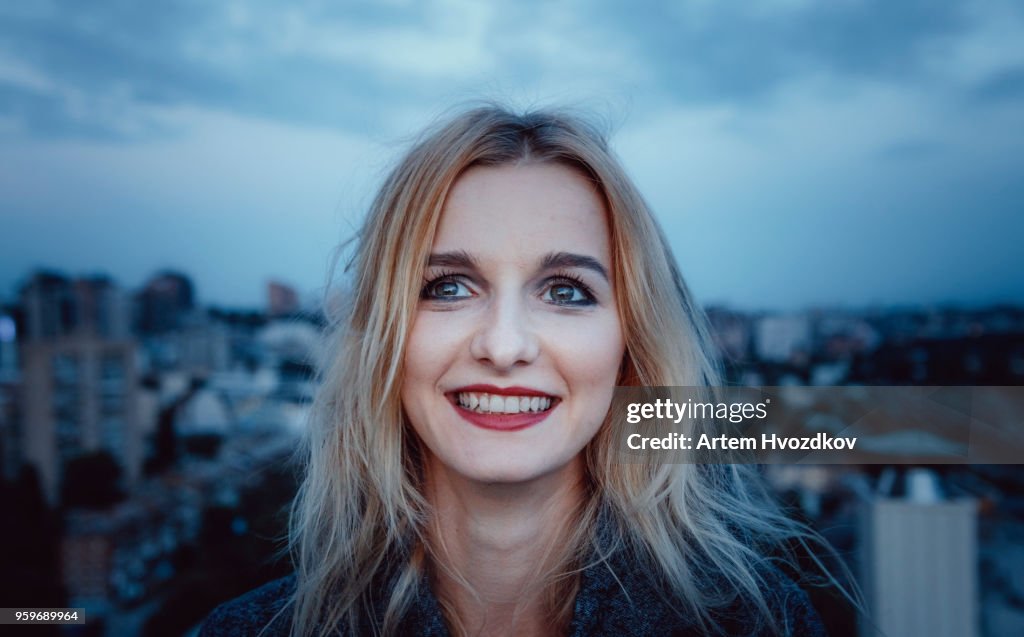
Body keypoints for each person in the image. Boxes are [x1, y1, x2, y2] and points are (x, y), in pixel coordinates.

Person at [200, 106, 838, 636]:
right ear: (383, 336)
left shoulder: (760, 623)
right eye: (447, 287)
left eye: (565, 292)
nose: (504, 346)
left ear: (630, 348)